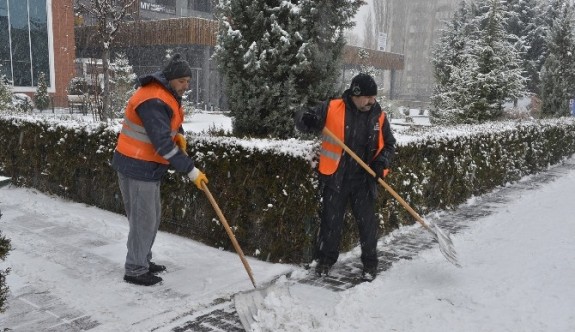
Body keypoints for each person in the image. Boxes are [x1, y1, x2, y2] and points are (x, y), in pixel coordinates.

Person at [112, 54, 208, 286]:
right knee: (143, 221)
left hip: (146, 167)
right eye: (182, 81)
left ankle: (142, 259)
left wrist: (181, 135)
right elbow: (162, 143)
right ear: (171, 79)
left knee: (149, 220)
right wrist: (191, 171)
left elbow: (170, 122)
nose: (186, 86)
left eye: (188, 81)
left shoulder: (164, 94)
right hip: (137, 167)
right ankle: (135, 269)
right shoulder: (154, 99)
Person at [294, 73, 396, 281]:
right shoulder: (332, 108)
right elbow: (301, 118)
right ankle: (325, 260)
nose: (372, 101)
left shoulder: (379, 116)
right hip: (335, 178)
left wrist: (380, 164)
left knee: (367, 225)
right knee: (330, 224)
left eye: (374, 97)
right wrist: (306, 119)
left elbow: (389, 145)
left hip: (363, 181)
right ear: (355, 95)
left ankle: (370, 264)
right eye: (368, 97)